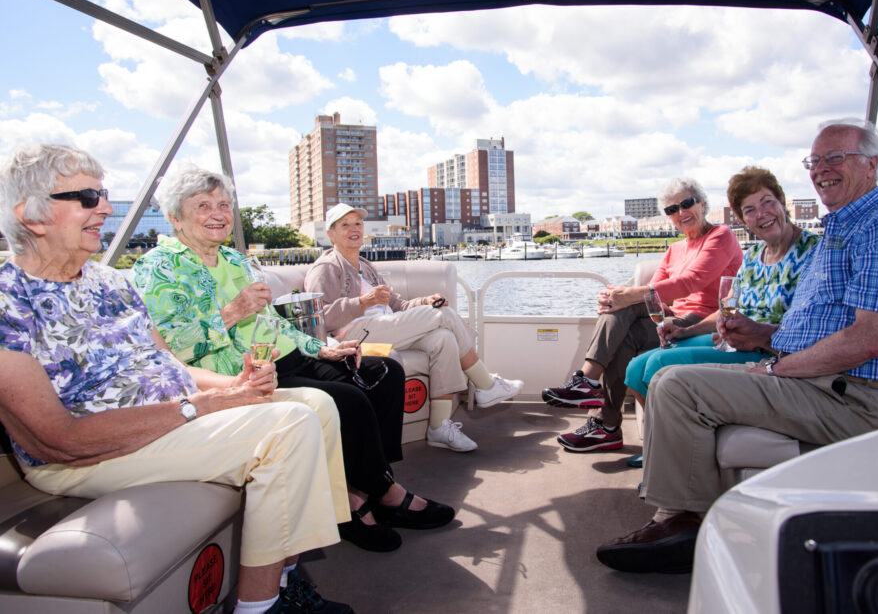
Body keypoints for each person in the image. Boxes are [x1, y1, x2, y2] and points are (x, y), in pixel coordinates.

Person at [0, 144, 351, 613]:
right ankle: (261, 607)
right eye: (87, 197)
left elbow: (171, 366)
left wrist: (235, 387)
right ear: (33, 215)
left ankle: (284, 576)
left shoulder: (111, 282)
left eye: (103, 194)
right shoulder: (10, 302)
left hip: (171, 419)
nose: (104, 206)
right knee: (288, 425)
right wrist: (202, 407)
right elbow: (57, 441)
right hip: (88, 456)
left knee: (317, 405)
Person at [596, 118, 878, 574]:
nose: (821, 170)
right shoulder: (840, 231)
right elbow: (813, 324)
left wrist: (776, 368)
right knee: (666, 377)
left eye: (836, 158)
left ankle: (680, 525)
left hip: (845, 394)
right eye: (814, 161)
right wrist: (762, 337)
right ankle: (681, 514)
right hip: (810, 375)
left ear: (872, 165)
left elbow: (870, 340)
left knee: (676, 386)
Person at [132, 166, 453, 555]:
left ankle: (368, 485)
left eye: (222, 204)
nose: (218, 213)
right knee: (346, 401)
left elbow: (273, 324)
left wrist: (321, 348)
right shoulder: (159, 268)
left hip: (288, 357)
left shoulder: (235, 259)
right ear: (174, 217)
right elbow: (170, 349)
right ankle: (373, 499)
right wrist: (232, 311)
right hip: (241, 375)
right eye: (202, 205)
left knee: (383, 370)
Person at [620, 168, 819, 466]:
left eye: (767, 202)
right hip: (732, 341)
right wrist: (686, 330)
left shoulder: (815, 252)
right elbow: (727, 307)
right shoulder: (753, 257)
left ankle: (668, 456)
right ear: (743, 219)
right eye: (749, 210)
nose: (761, 214)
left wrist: (758, 333)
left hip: (768, 351)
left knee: (658, 363)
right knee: (636, 368)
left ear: (782, 201)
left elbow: (813, 324)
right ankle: (660, 444)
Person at [542, 177, 743, 453]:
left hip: (705, 322)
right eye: (672, 210)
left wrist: (625, 297)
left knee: (628, 303)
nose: (681, 213)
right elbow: (657, 293)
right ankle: (604, 421)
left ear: (702, 204)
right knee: (624, 330)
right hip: (672, 318)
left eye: (686, 204)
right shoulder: (674, 250)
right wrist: (615, 296)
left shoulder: (721, 236)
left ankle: (591, 390)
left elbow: (691, 282)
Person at [304, 203, 523, 453]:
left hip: (385, 327)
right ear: (331, 234)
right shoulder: (325, 268)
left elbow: (399, 304)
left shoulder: (366, 267)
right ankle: (485, 385)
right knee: (443, 316)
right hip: (354, 334)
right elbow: (318, 318)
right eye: (345, 225)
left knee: (443, 339)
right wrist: (362, 302)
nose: (354, 229)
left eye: (358, 223)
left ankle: (439, 427)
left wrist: (425, 301)